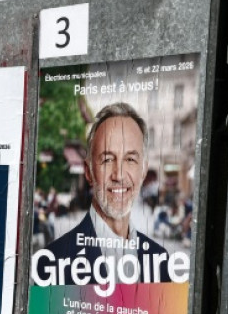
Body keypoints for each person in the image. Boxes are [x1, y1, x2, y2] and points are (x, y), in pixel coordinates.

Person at [33, 102, 171, 286]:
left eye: (130, 159)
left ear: (143, 171)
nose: (119, 175)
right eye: (107, 159)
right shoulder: (53, 262)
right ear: (88, 171)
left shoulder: (161, 261)